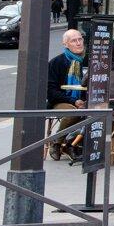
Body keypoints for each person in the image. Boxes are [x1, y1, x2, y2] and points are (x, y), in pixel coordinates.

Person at [46, 29, 86, 160]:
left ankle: (71, 145)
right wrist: (73, 101)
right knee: (73, 113)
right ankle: (57, 143)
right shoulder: (57, 62)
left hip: (82, 101)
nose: (78, 43)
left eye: (80, 39)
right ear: (66, 44)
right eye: (74, 41)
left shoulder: (87, 60)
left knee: (94, 112)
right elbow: (51, 92)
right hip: (61, 101)